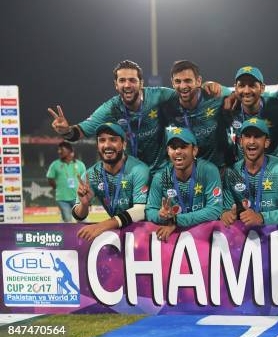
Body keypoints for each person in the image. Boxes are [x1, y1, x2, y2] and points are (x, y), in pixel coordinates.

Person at [48, 60, 224, 173]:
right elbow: (78, 133)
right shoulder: (110, 108)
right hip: (134, 174)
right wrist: (66, 130)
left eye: (132, 80)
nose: (127, 85)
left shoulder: (159, 96)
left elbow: (187, 92)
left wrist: (208, 85)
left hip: (164, 171)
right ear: (115, 85)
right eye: (122, 80)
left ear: (141, 83)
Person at [73, 123, 150, 241]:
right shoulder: (91, 175)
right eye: (102, 140)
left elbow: (140, 211)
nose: (107, 145)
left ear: (124, 144)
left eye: (113, 140)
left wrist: (102, 225)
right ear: (98, 146)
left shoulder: (139, 169)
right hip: (119, 232)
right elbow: (78, 215)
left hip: (146, 232)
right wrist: (84, 204)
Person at [145, 127, 223, 241]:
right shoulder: (161, 177)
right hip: (174, 242)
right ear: (168, 151)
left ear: (194, 150)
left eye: (183, 146)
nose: (178, 151)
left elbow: (214, 210)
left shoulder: (208, 171)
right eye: (173, 147)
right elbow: (149, 211)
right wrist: (161, 216)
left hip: (206, 239)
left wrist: (176, 220)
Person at [221, 118, 278, 226]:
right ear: (241, 142)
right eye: (247, 136)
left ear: (266, 142)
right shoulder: (231, 172)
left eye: (257, 136)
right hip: (244, 238)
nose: (252, 141)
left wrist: (262, 218)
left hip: (277, 237)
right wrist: (225, 214)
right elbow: (226, 208)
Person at [159, 60, 231, 168]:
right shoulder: (168, 106)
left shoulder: (215, 95)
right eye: (178, 81)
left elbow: (239, 95)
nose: (183, 86)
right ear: (172, 83)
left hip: (220, 169)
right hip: (189, 173)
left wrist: (212, 84)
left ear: (198, 81)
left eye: (187, 80)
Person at [225, 66, 278, 160]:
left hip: (275, 168)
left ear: (262, 88)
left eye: (252, 85)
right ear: (235, 88)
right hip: (244, 169)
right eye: (242, 85)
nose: (246, 91)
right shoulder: (230, 107)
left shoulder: (276, 105)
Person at [46, 141, 86, 222]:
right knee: (67, 220)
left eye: (62, 150)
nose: (59, 152)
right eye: (59, 150)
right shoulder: (55, 164)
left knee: (82, 220)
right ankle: (65, 232)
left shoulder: (80, 164)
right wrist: (57, 188)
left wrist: (85, 196)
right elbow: (50, 178)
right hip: (62, 198)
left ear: (70, 151)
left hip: (77, 198)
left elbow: (84, 181)